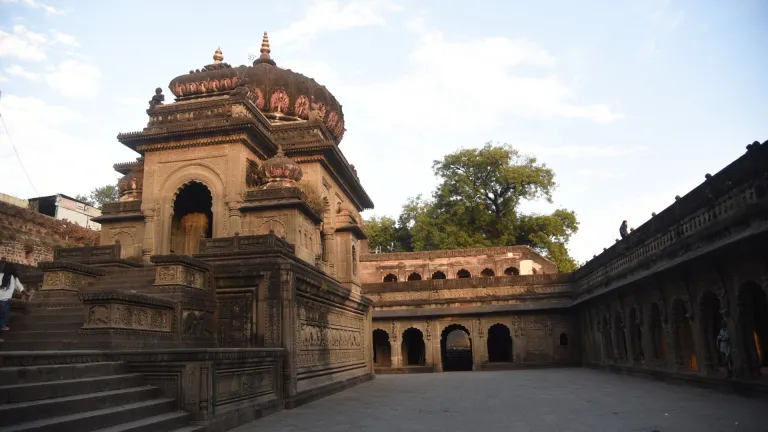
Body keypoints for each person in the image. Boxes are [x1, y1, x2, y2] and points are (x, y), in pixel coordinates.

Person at [0, 261, 25, 343]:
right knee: (3, 317)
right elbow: (20, 288)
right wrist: (27, 294)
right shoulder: (14, 278)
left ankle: (2, 326)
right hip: (5, 301)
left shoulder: (0, 275)